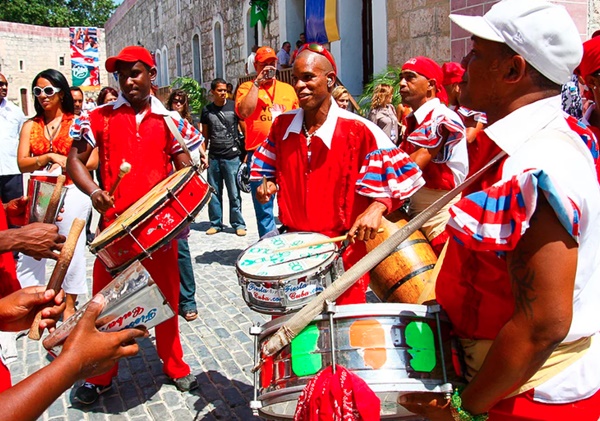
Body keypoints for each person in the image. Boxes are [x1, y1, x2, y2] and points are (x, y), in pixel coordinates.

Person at [399, 1, 600, 419]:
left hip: (531, 394)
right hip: (506, 384)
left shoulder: (540, 161)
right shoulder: (518, 145)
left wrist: (466, 408)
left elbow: (543, 324)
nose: (463, 63)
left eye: (476, 52)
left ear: (513, 70)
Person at [66, 45, 202, 404]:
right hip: (114, 231)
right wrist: (95, 190)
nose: (128, 81)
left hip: (159, 231)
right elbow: (75, 162)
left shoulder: (168, 120)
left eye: (135, 72)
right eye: (122, 74)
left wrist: (185, 185)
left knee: (167, 301)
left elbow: (184, 166)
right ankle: (99, 374)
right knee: (103, 305)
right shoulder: (100, 117)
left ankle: (174, 366)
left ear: (152, 75)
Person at [251, 43, 424, 303]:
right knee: (293, 336)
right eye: (296, 79)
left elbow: (401, 177)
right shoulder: (282, 125)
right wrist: (269, 182)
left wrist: (377, 208)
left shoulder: (361, 130)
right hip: (293, 251)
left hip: (343, 254)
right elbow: (267, 166)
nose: (300, 86)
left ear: (330, 80)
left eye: (308, 77)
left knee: (341, 332)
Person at [17, 69, 93, 321]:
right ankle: (28, 301)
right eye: (37, 91)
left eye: (48, 90)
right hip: (40, 191)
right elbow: (22, 163)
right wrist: (48, 157)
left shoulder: (78, 122)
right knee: (31, 247)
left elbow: (91, 161)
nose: (42, 96)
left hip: (72, 189)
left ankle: (69, 304)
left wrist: (68, 162)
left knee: (70, 247)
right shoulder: (30, 125)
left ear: (61, 93)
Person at [399, 56, 468, 255]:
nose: (402, 84)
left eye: (410, 77)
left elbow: (413, 166)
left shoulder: (441, 117)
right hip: (420, 212)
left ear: (430, 85)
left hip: (440, 218)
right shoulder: (415, 119)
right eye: (401, 78)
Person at [235, 46, 299, 237]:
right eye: (264, 64)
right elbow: (244, 112)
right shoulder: (247, 88)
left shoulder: (287, 89)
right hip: (260, 155)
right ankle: (269, 247)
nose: (269, 67)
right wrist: (257, 82)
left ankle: (290, 242)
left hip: (286, 152)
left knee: (291, 203)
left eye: (272, 63)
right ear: (256, 65)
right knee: (264, 206)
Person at [166, 88, 200, 323]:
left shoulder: (171, 121)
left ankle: (187, 300)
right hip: (143, 196)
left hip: (173, 192)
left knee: (180, 248)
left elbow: (193, 151)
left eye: (181, 101)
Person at [201, 78, 246, 238]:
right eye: (219, 90)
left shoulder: (234, 107)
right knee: (213, 193)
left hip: (232, 156)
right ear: (212, 92)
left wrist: (245, 154)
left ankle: (238, 224)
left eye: (225, 90)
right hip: (214, 156)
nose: (223, 93)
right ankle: (216, 223)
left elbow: (244, 130)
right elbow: (204, 136)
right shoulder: (207, 110)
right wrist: (204, 155)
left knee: (234, 194)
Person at [442, 61, 487, 143]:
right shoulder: (454, 108)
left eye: (444, 88)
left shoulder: (474, 106)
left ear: (455, 87)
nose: (443, 93)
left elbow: (467, 138)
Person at [0, 73, 25, 205]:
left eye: (5, 84)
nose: (4, 87)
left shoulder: (15, 112)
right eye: (0, 84)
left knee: (15, 213)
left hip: (12, 171)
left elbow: (22, 138)